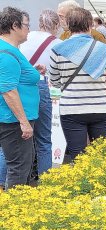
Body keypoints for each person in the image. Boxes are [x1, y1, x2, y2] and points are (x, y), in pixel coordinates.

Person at [48, 7, 106, 160]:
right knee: (102, 157)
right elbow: (104, 73)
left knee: (78, 157)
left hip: (71, 109)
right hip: (99, 106)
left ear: (68, 25)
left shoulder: (57, 50)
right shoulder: (103, 49)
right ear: (90, 24)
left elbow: (55, 82)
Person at [0, 7, 42, 190]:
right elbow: (8, 90)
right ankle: (14, 213)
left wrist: (32, 72)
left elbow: (14, 79)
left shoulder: (10, 50)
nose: (29, 30)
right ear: (14, 26)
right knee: (18, 168)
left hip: (15, 120)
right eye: (26, 25)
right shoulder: (6, 53)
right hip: (14, 122)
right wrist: (23, 122)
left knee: (21, 166)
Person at [17, 9, 62, 178]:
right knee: (44, 140)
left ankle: (3, 185)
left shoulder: (25, 38)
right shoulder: (58, 44)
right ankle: (46, 182)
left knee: (14, 140)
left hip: (19, 88)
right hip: (42, 87)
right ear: (56, 24)